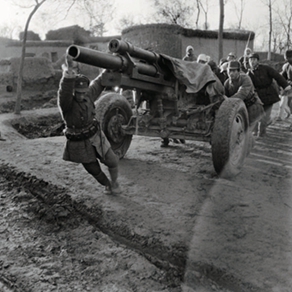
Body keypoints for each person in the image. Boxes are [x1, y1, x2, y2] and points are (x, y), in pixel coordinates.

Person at [57, 54, 121, 195]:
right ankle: (107, 185)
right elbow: (64, 92)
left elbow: (98, 84)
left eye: (83, 93)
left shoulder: (88, 95)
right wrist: (68, 76)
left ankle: (115, 182)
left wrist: (108, 68)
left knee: (112, 160)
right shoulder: (66, 104)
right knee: (94, 169)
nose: (81, 96)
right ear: (73, 92)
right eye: (77, 93)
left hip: (95, 135)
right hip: (78, 142)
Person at [247, 53, 291, 137]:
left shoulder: (266, 69)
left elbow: (277, 76)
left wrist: (285, 85)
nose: (252, 62)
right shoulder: (249, 74)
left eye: (254, 59)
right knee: (256, 114)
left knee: (265, 116)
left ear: (258, 60)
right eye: (250, 60)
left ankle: (262, 132)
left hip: (269, 94)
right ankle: (255, 131)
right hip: (257, 96)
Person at [224, 60, 264, 133]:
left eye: (234, 71)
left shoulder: (245, 79)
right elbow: (224, 95)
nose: (231, 73)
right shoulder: (227, 83)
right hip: (240, 107)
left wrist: (227, 101)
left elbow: (241, 94)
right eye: (229, 70)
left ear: (239, 71)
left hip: (252, 106)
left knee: (253, 131)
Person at [280, 49, 292, 127]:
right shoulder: (287, 66)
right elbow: (282, 76)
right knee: (289, 104)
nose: (286, 59)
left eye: (288, 57)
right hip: (289, 88)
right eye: (286, 57)